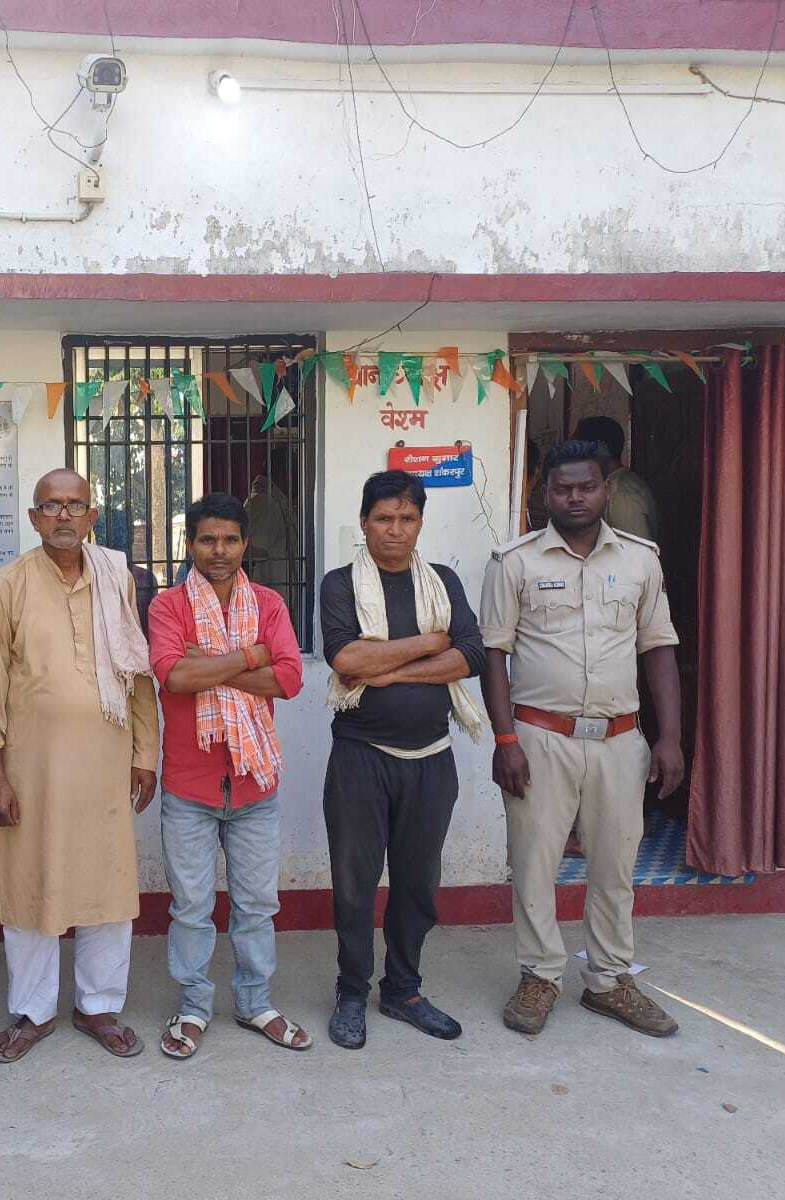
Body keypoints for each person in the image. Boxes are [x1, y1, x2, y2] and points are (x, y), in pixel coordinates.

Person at [480, 439, 684, 1038]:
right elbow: (494, 655)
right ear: (544, 492)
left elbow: (658, 648)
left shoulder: (641, 561)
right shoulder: (514, 562)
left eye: (587, 487)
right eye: (563, 488)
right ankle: (540, 975)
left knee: (616, 866)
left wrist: (669, 738)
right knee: (534, 863)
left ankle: (610, 980)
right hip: (540, 737)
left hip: (621, 740)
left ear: (606, 490)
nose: (575, 498)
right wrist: (505, 739)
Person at [0, 468, 159, 1064]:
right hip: (32, 770)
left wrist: (146, 753)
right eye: (51, 506)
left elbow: (137, 673)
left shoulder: (117, 578)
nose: (63, 516)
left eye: (75, 506)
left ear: (91, 516)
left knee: (108, 882)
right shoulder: (5, 586)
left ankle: (98, 1005)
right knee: (30, 884)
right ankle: (34, 1011)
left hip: (107, 766)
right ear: (34, 518)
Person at [319, 470, 486, 1049]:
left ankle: (403, 990)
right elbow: (345, 660)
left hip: (431, 760)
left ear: (420, 523)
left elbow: (471, 655)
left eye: (406, 518)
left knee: (417, 884)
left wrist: (388, 670)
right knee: (354, 884)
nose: (395, 529)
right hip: (360, 758)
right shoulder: (340, 584)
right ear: (364, 524)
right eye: (384, 518)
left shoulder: (443, 582)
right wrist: (429, 643)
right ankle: (351, 992)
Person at [147, 493, 310, 1060]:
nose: (219, 551)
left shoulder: (268, 603)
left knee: (257, 905)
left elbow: (289, 680)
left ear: (246, 544)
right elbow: (174, 676)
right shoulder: (168, 607)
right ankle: (193, 1006)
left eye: (230, 540)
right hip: (190, 787)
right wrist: (250, 656)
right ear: (189, 544)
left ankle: (254, 1002)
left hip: (254, 785)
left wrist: (210, 665)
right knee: (191, 909)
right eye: (207, 539)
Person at [571, 415, 659, 543]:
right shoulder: (614, 485)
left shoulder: (621, 496)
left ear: (601, 447)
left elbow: (634, 554)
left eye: (578, 448)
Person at [245, 471, 298, 606]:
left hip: (272, 592)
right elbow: (254, 551)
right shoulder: (264, 504)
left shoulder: (272, 501)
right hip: (269, 592)